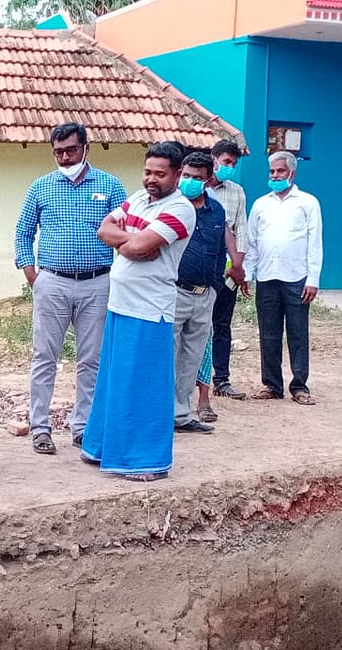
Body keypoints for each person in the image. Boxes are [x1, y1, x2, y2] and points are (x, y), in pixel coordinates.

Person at [80, 142, 195, 481]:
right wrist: (128, 242)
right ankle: (102, 447)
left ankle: (145, 460)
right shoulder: (139, 198)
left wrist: (129, 240)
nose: (151, 179)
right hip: (120, 303)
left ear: (177, 174)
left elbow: (140, 244)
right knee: (114, 379)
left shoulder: (181, 209)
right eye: (147, 172)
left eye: (160, 174)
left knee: (144, 385)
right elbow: (104, 230)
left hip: (149, 309)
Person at [14, 122, 126, 455]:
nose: (65, 158)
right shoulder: (40, 187)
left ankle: (83, 427)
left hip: (97, 283)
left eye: (71, 150)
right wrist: (32, 275)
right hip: (52, 282)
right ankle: (40, 427)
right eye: (58, 152)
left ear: (86, 148)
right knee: (44, 357)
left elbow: (127, 233)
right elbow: (23, 233)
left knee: (91, 360)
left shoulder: (110, 186)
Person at [243, 151, 323, 405]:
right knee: (268, 334)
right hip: (267, 277)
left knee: (298, 333)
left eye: (280, 171)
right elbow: (252, 242)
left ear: (292, 173)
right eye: (272, 171)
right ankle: (272, 385)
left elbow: (315, 242)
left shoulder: (307, 202)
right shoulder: (260, 204)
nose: (275, 176)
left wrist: (313, 278)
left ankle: (299, 386)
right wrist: (247, 273)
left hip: (297, 278)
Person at [172, 151, 227, 435]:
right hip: (175, 292)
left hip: (205, 295)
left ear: (207, 181)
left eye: (196, 178)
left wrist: (215, 288)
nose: (190, 181)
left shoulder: (216, 210)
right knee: (168, 355)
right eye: (186, 176)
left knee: (192, 357)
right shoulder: (172, 206)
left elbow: (220, 250)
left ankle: (181, 414)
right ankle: (161, 414)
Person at [208, 139, 250, 400]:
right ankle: (189, 379)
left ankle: (221, 379)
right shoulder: (196, 187)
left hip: (227, 271)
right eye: (226, 162)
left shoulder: (237, 192)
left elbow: (241, 230)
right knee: (194, 326)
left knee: (222, 325)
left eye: (233, 164)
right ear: (213, 158)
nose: (229, 168)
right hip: (199, 270)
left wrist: (238, 267)